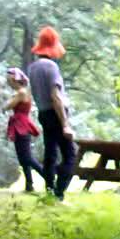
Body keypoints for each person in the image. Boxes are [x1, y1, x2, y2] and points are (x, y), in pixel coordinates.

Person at [28, 26, 75, 200]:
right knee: (70, 155)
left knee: (50, 153)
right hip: (56, 114)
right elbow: (56, 97)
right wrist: (65, 125)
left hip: (43, 113)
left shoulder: (32, 68)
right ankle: (59, 193)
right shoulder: (51, 67)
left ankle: (48, 190)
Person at [2, 68, 45, 192]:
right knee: (23, 157)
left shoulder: (21, 92)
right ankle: (29, 185)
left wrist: (9, 100)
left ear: (15, 80)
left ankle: (48, 178)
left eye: (10, 80)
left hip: (21, 125)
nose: (9, 83)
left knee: (26, 157)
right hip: (19, 124)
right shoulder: (20, 92)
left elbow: (7, 106)